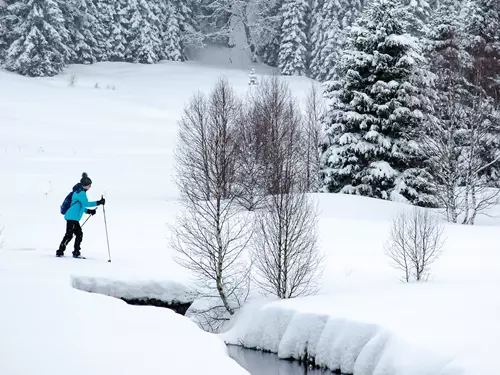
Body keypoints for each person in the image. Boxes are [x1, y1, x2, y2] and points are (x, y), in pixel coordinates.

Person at [56, 173, 105, 258]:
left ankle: (68, 251)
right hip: (72, 218)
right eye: (89, 185)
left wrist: (89, 211)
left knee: (75, 234)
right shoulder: (81, 192)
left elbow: (79, 206)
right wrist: (99, 202)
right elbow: (86, 203)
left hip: (73, 217)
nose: (90, 187)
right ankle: (67, 251)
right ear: (85, 185)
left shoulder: (78, 191)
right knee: (72, 234)